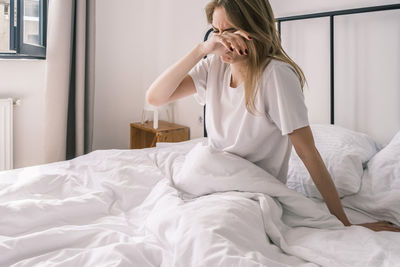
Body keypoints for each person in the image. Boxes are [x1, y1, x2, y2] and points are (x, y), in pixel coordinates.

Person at [146, 0, 400, 232]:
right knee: (170, 224)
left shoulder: (276, 75)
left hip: (252, 190)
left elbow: (307, 153)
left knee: (209, 232)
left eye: (230, 30)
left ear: (253, 29)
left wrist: (344, 223)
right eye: (216, 31)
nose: (222, 41)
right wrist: (200, 49)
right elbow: (154, 98)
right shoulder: (213, 65)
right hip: (209, 180)